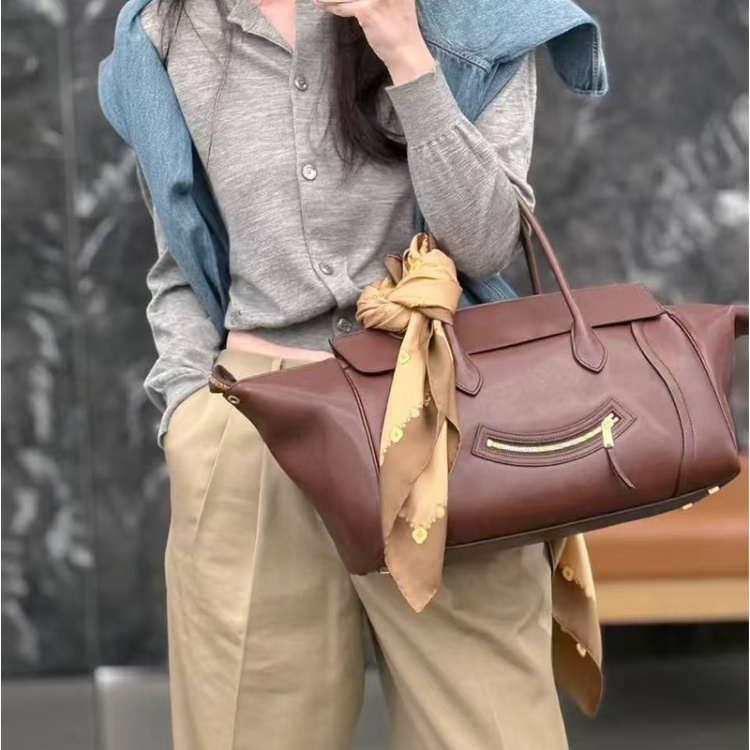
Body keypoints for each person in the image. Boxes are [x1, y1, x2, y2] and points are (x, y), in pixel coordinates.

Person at [101, 0, 606, 747]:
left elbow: (487, 242)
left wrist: (406, 53)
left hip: (439, 417)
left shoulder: (473, 16)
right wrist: (188, 414)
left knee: (494, 731)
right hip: (250, 429)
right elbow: (181, 255)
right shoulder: (170, 27)